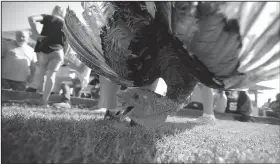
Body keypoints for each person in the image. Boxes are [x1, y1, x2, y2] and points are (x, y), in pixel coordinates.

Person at [25, 5, 68, 106]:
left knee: (40, 73)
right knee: (51, 76)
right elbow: (67, 43)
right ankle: (44, 101)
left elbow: (31, 18)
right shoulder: (67, 25)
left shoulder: (48, 17)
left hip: (44, 50)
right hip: (59, 52)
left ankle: (35, 95)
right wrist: (63, 56)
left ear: (54, 10)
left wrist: (36, 34)